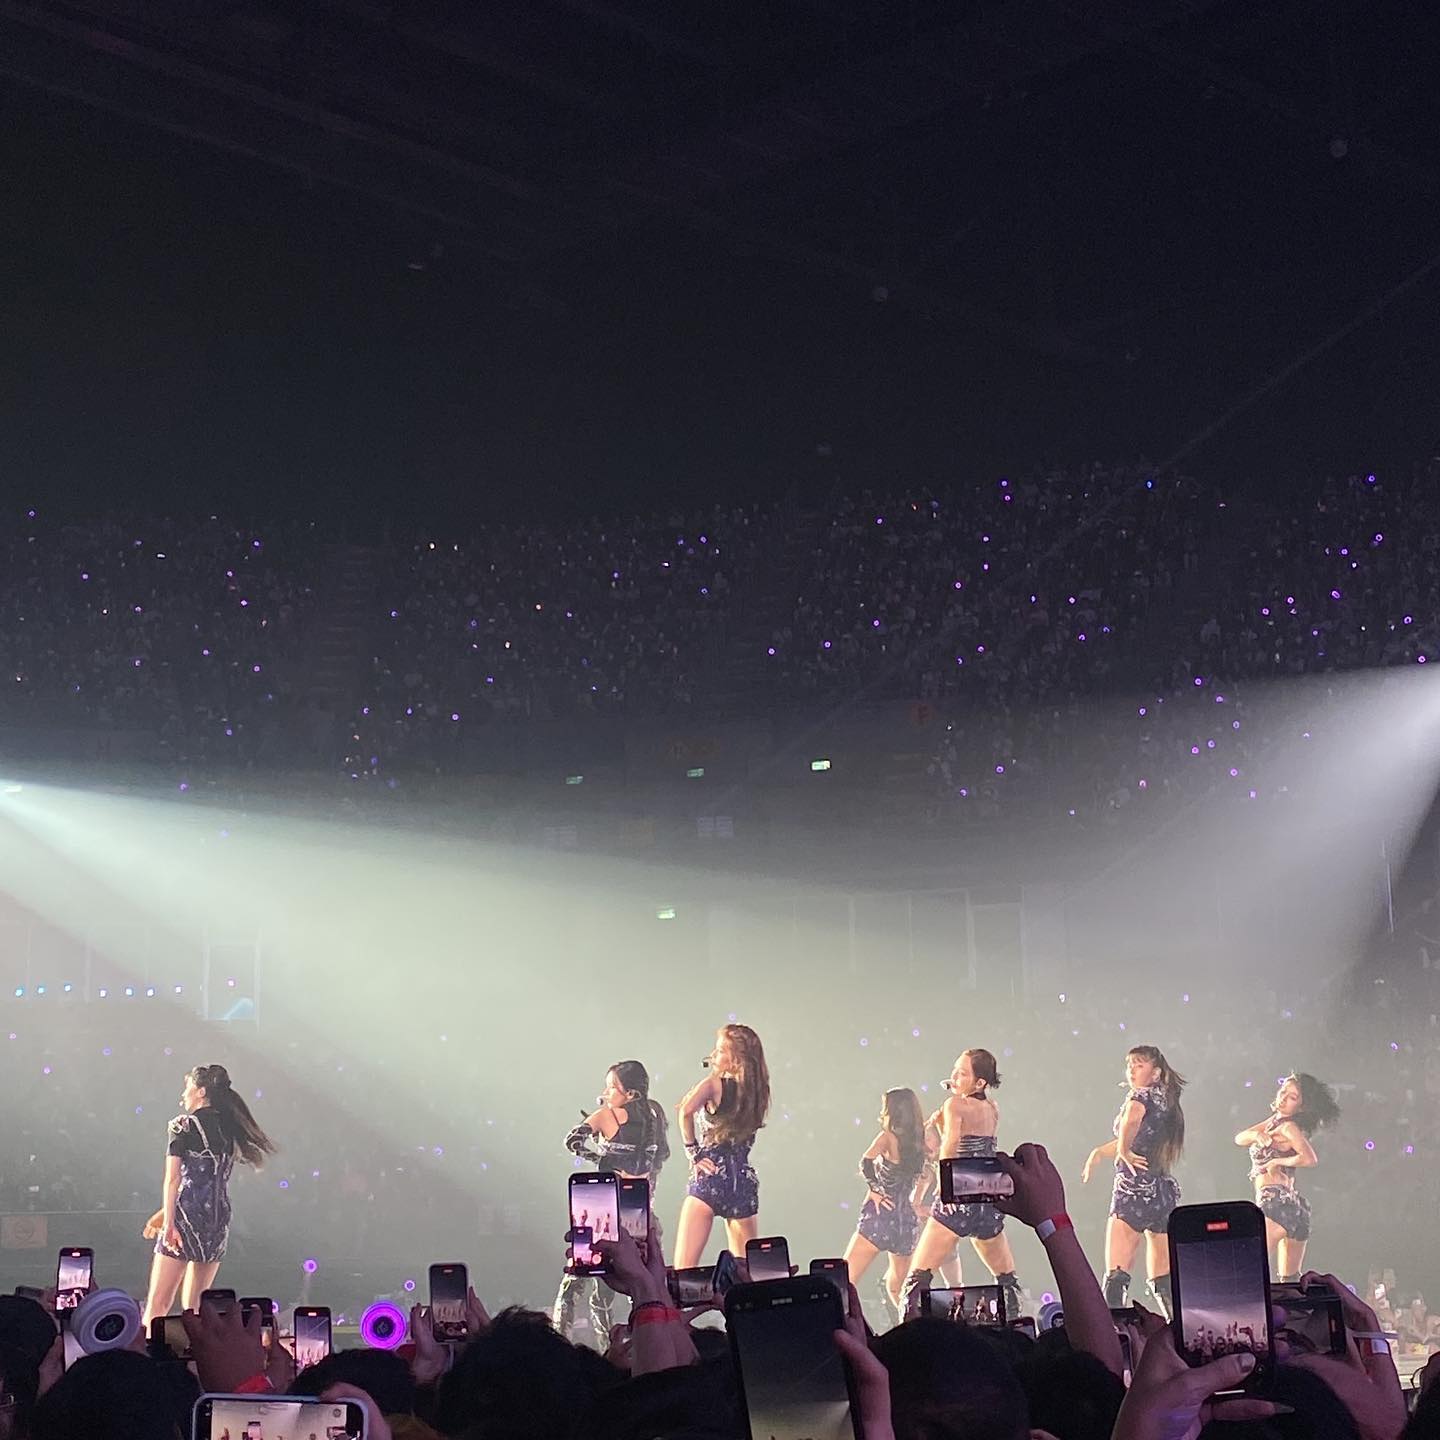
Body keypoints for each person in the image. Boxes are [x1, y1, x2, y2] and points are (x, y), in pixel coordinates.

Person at [141, 1063, 275, 1327]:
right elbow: (206, 1183)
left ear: (201, 1091)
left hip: (185, 1219)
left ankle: (148, 1348)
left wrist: (169, 1223)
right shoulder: (229, 1129)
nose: (183, 1094)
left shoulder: (182, 1126)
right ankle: (195, 1351)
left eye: (188, 1087)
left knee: (158, 1303)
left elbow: (174, 1180)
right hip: (217, 1220)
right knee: (195, 1309)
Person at [900, 1050, 1024, 1320]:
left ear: (980, 1082)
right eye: (954, 1071)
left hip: (960, 1187)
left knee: (917, 1279)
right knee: (1007, 1280)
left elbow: (952, 1145)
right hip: (988, 1191)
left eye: (962, 1073)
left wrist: (943, 1183)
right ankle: (1017, 1329)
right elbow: (977, 1143)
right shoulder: (992, 1108)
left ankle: (908, 1336)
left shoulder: (954, 1104)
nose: (954, 1077)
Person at [553, 1060, 670, 1344]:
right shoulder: (655, 1115)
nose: (605, 1093)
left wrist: (602, 1160)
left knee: (575, 1281)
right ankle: (634, 1343)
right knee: (626, 1284)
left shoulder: (608, 1116)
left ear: (630, 1094)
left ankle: (560, 1341)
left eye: (611, 1087)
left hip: (602, 1211)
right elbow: (661, 1157)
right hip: (638, 1213)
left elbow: (572, 1141)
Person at [1081, 1045, 1185, 1318]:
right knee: (1162, 1276)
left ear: (1156, 1073)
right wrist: (1102, 1152)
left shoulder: (1139, 1097)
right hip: (1160, 1190)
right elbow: (1139, 1136)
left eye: (1139, 1065)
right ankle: (1177, 1327)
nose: (1131, 1071)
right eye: (1130, 1065)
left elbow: (1131, 1120)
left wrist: (1123, 1151)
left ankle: (1114, 1332)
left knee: (1117, 1272)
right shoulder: (1164, 1101)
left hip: (1133, 1189)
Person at [673, 1024, 769, 1267]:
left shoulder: (713, 1084)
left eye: (720, 1050)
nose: (713, 1055)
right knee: (746, 1272)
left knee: (684, 1271)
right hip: (742, 1184)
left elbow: (685, 1112)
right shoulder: (758, 1092)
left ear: (735, 1058)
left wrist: (693, 1152)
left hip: (712, 1177)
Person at [1233, 1070, 1340, 1281]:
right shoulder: (1275, 1122)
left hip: (1276, 1203)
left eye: (1292, 1097)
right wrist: (1256, 1135)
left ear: (1301, 1106)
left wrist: (1276, 1162)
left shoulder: (1289, 1127)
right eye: (1283, 1092)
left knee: (1249, 1268)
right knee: (1289, 1281)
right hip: (1291, 1205)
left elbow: (1309, 1158)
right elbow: (1239, 1138)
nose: (1283, 1098)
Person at [843, 1087, 927, 1317]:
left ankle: (842, 1328)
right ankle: (912, 1326)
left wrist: (875, 1190)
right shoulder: (919, 1140)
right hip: (905, 1222)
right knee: (899, 1289)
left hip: (882, 1215)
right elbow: (926, 1173)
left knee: (845, 1280)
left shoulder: (887, 1137)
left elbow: (865, 1162)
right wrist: (917, 1200)